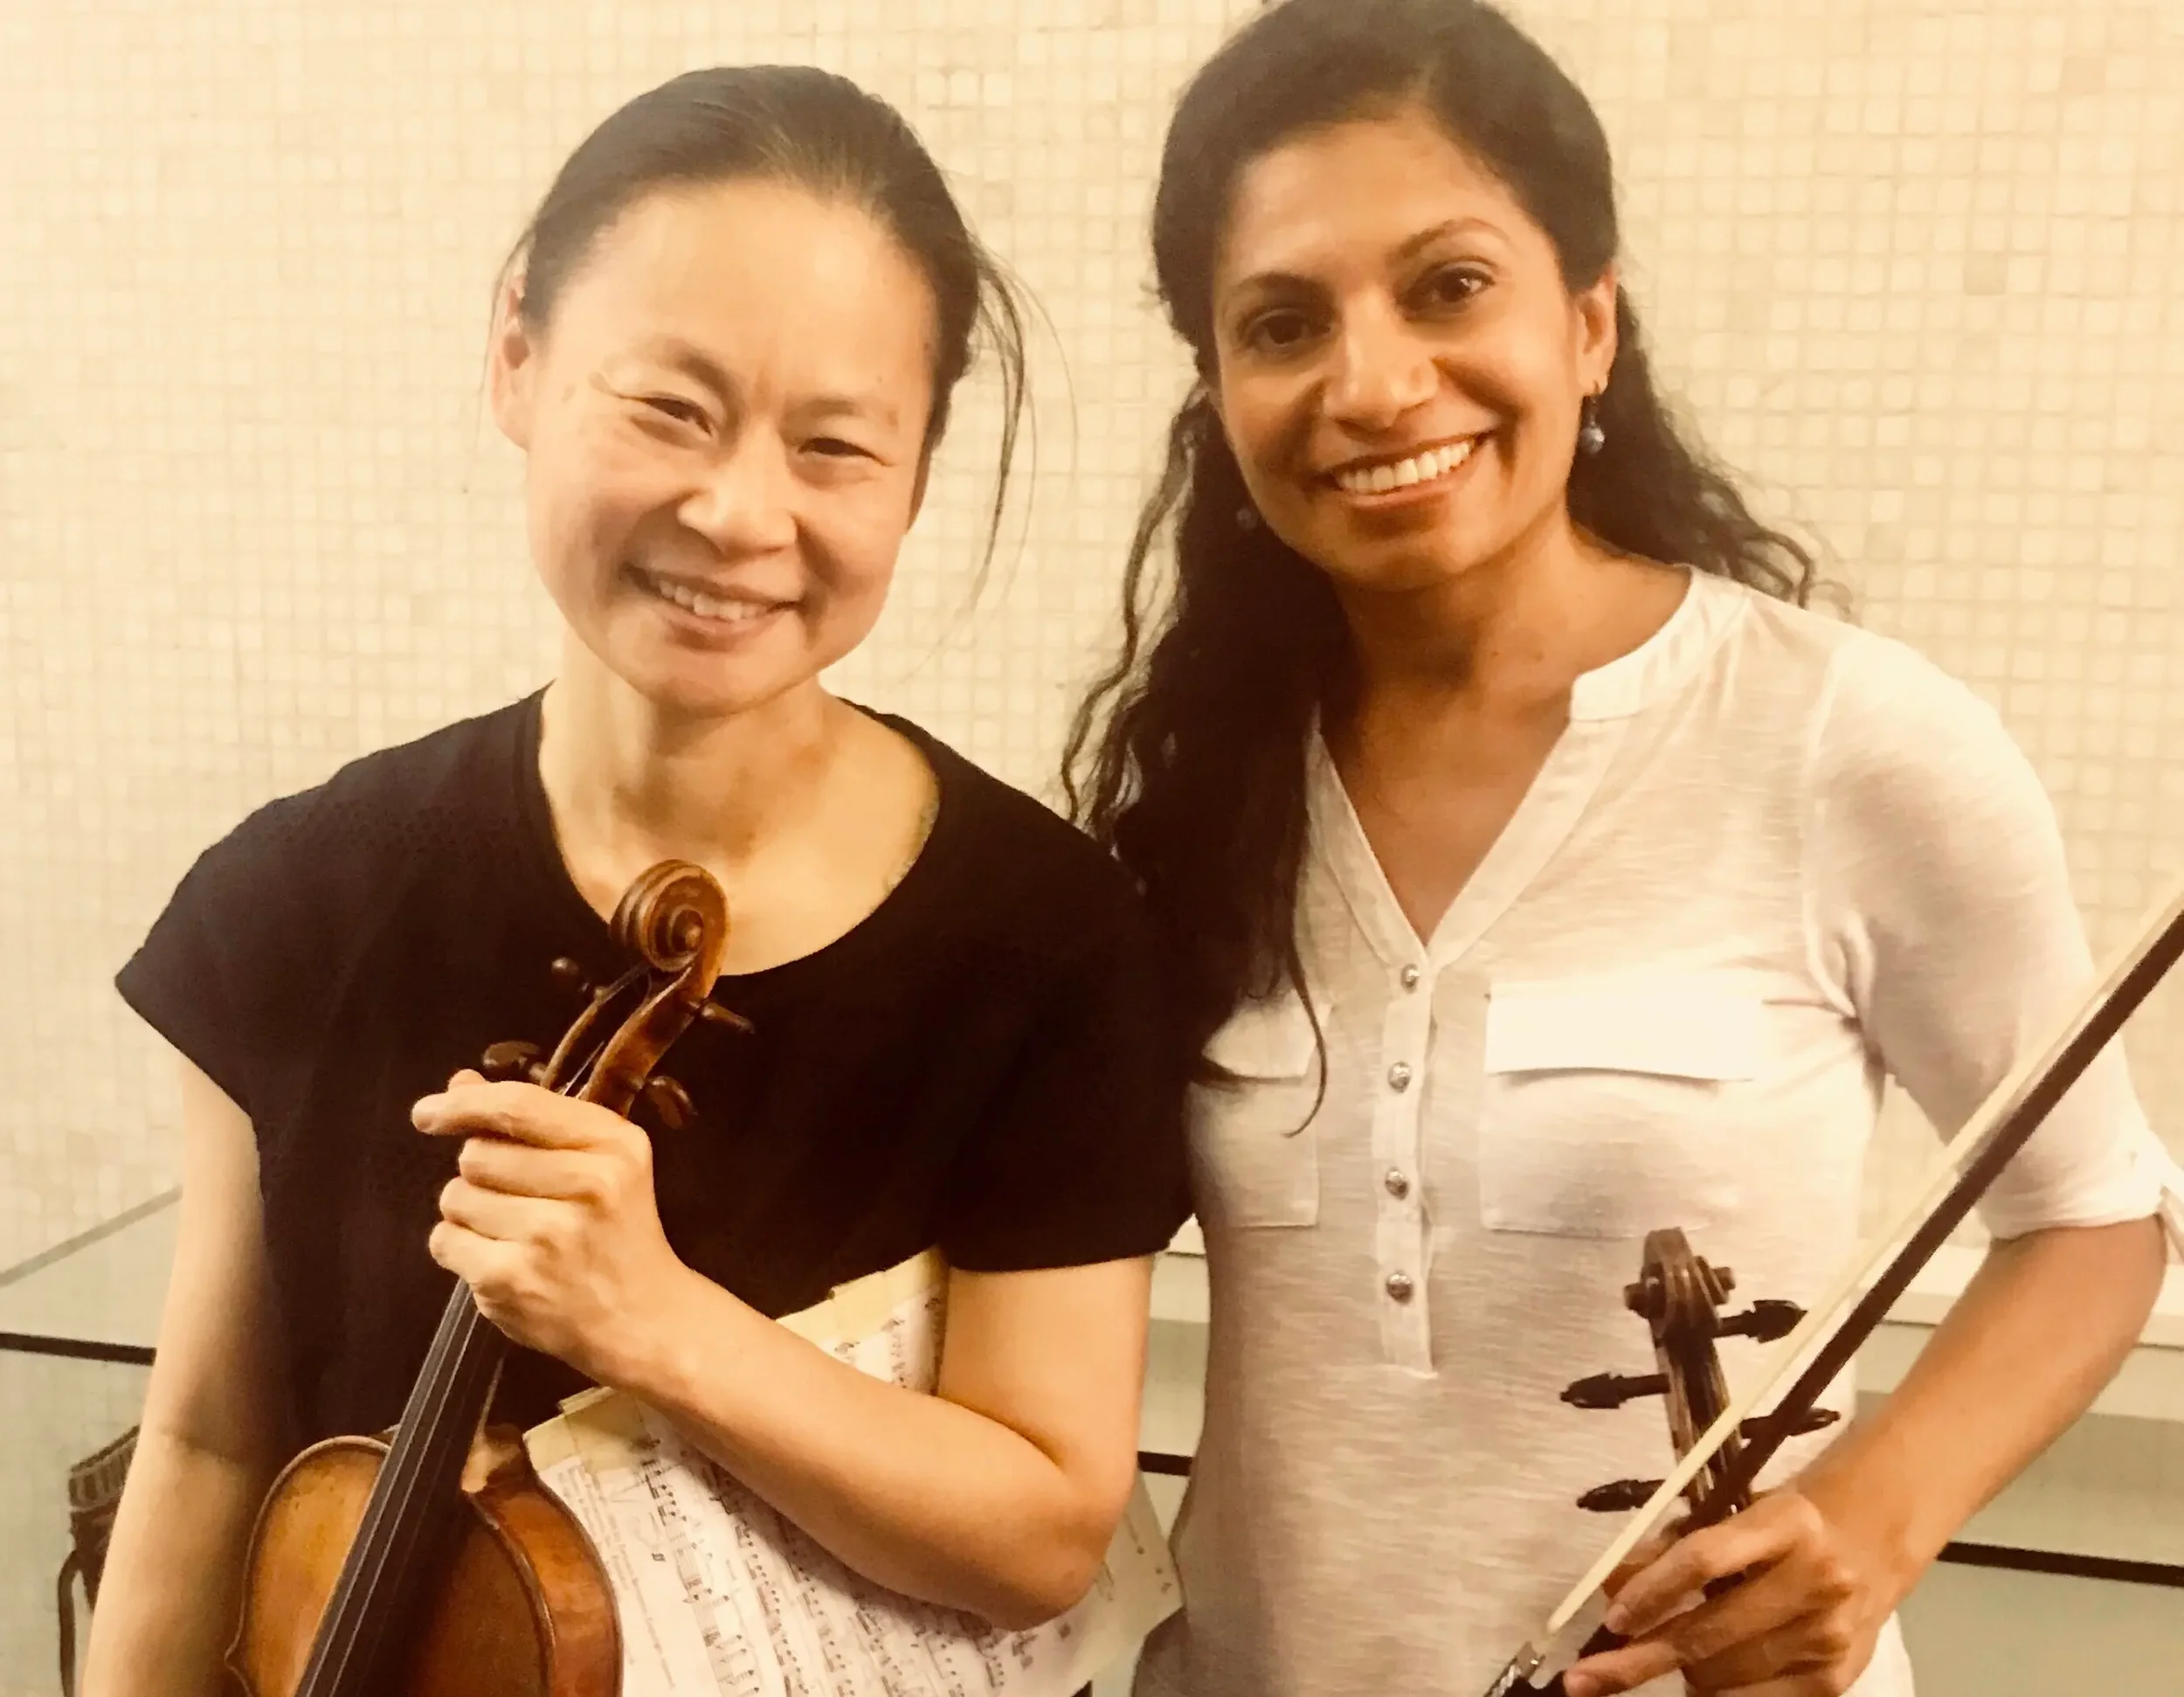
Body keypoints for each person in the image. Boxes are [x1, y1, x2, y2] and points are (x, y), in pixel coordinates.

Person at [1064, 3, 2182, 1694]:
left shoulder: (1846, 740)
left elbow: (2094, 1211)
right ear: (1221, 389)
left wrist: (1874, 1524)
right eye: (1284, 322)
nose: (1372, 384)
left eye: (1449, 286)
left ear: (1590, 324)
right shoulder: (1203, 784)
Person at [85, 65, 1190, 1696]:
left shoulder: (1047, 943)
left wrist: (653, 1318)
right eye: (669, 406)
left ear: (917, 473)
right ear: (517, 353)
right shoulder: (298, 900)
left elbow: (1040, 1527)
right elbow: (202, 1441)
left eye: (835, 445)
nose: (741, 512)